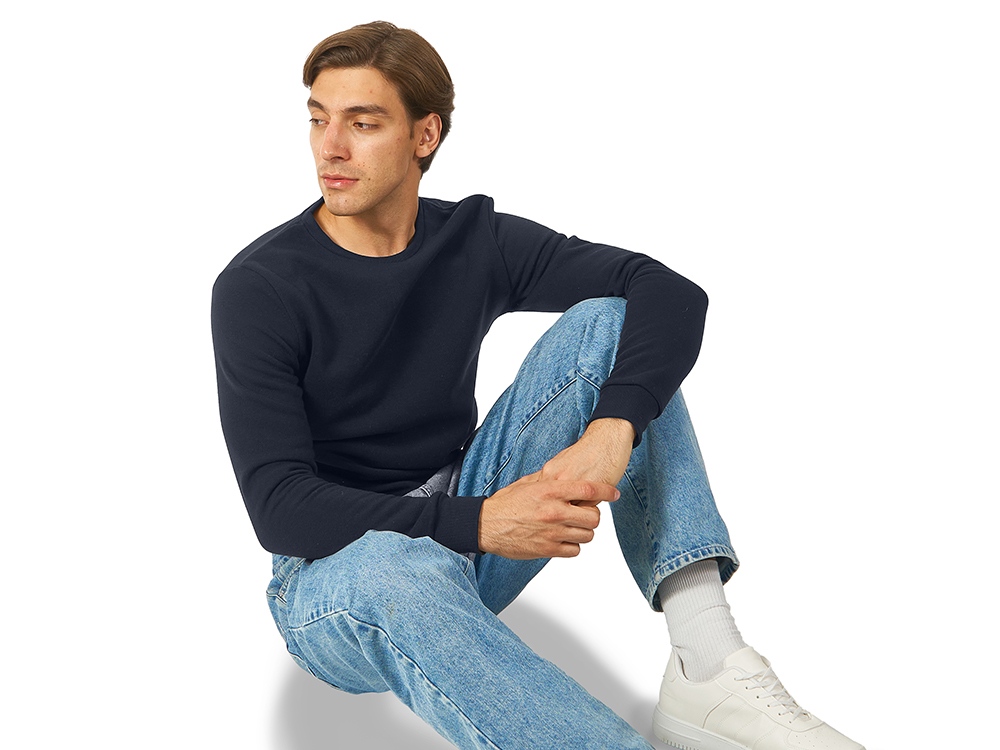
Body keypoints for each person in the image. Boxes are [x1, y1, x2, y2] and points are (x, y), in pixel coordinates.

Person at [211, 20, 865, 750]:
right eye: (318, 120)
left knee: (609, 324)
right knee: (392, 567)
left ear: (425, 135)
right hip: (333, 576)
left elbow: (668, 292)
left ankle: (706, 663)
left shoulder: (471, 240)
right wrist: (481, 522)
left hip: (467, 514)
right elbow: (281, 510)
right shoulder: (260, 287)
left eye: (362, 124)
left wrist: (613, 429)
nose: (330, 147)